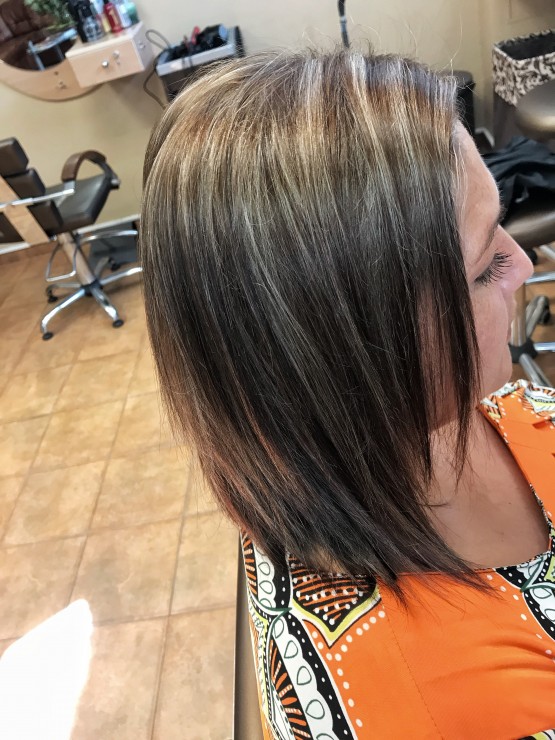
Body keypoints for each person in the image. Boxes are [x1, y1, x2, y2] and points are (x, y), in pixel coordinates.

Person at [140, 49, 555, 739]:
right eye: (485, 268)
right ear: (356, 353)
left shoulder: (416, 422)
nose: (523, 263)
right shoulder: (434, 710)